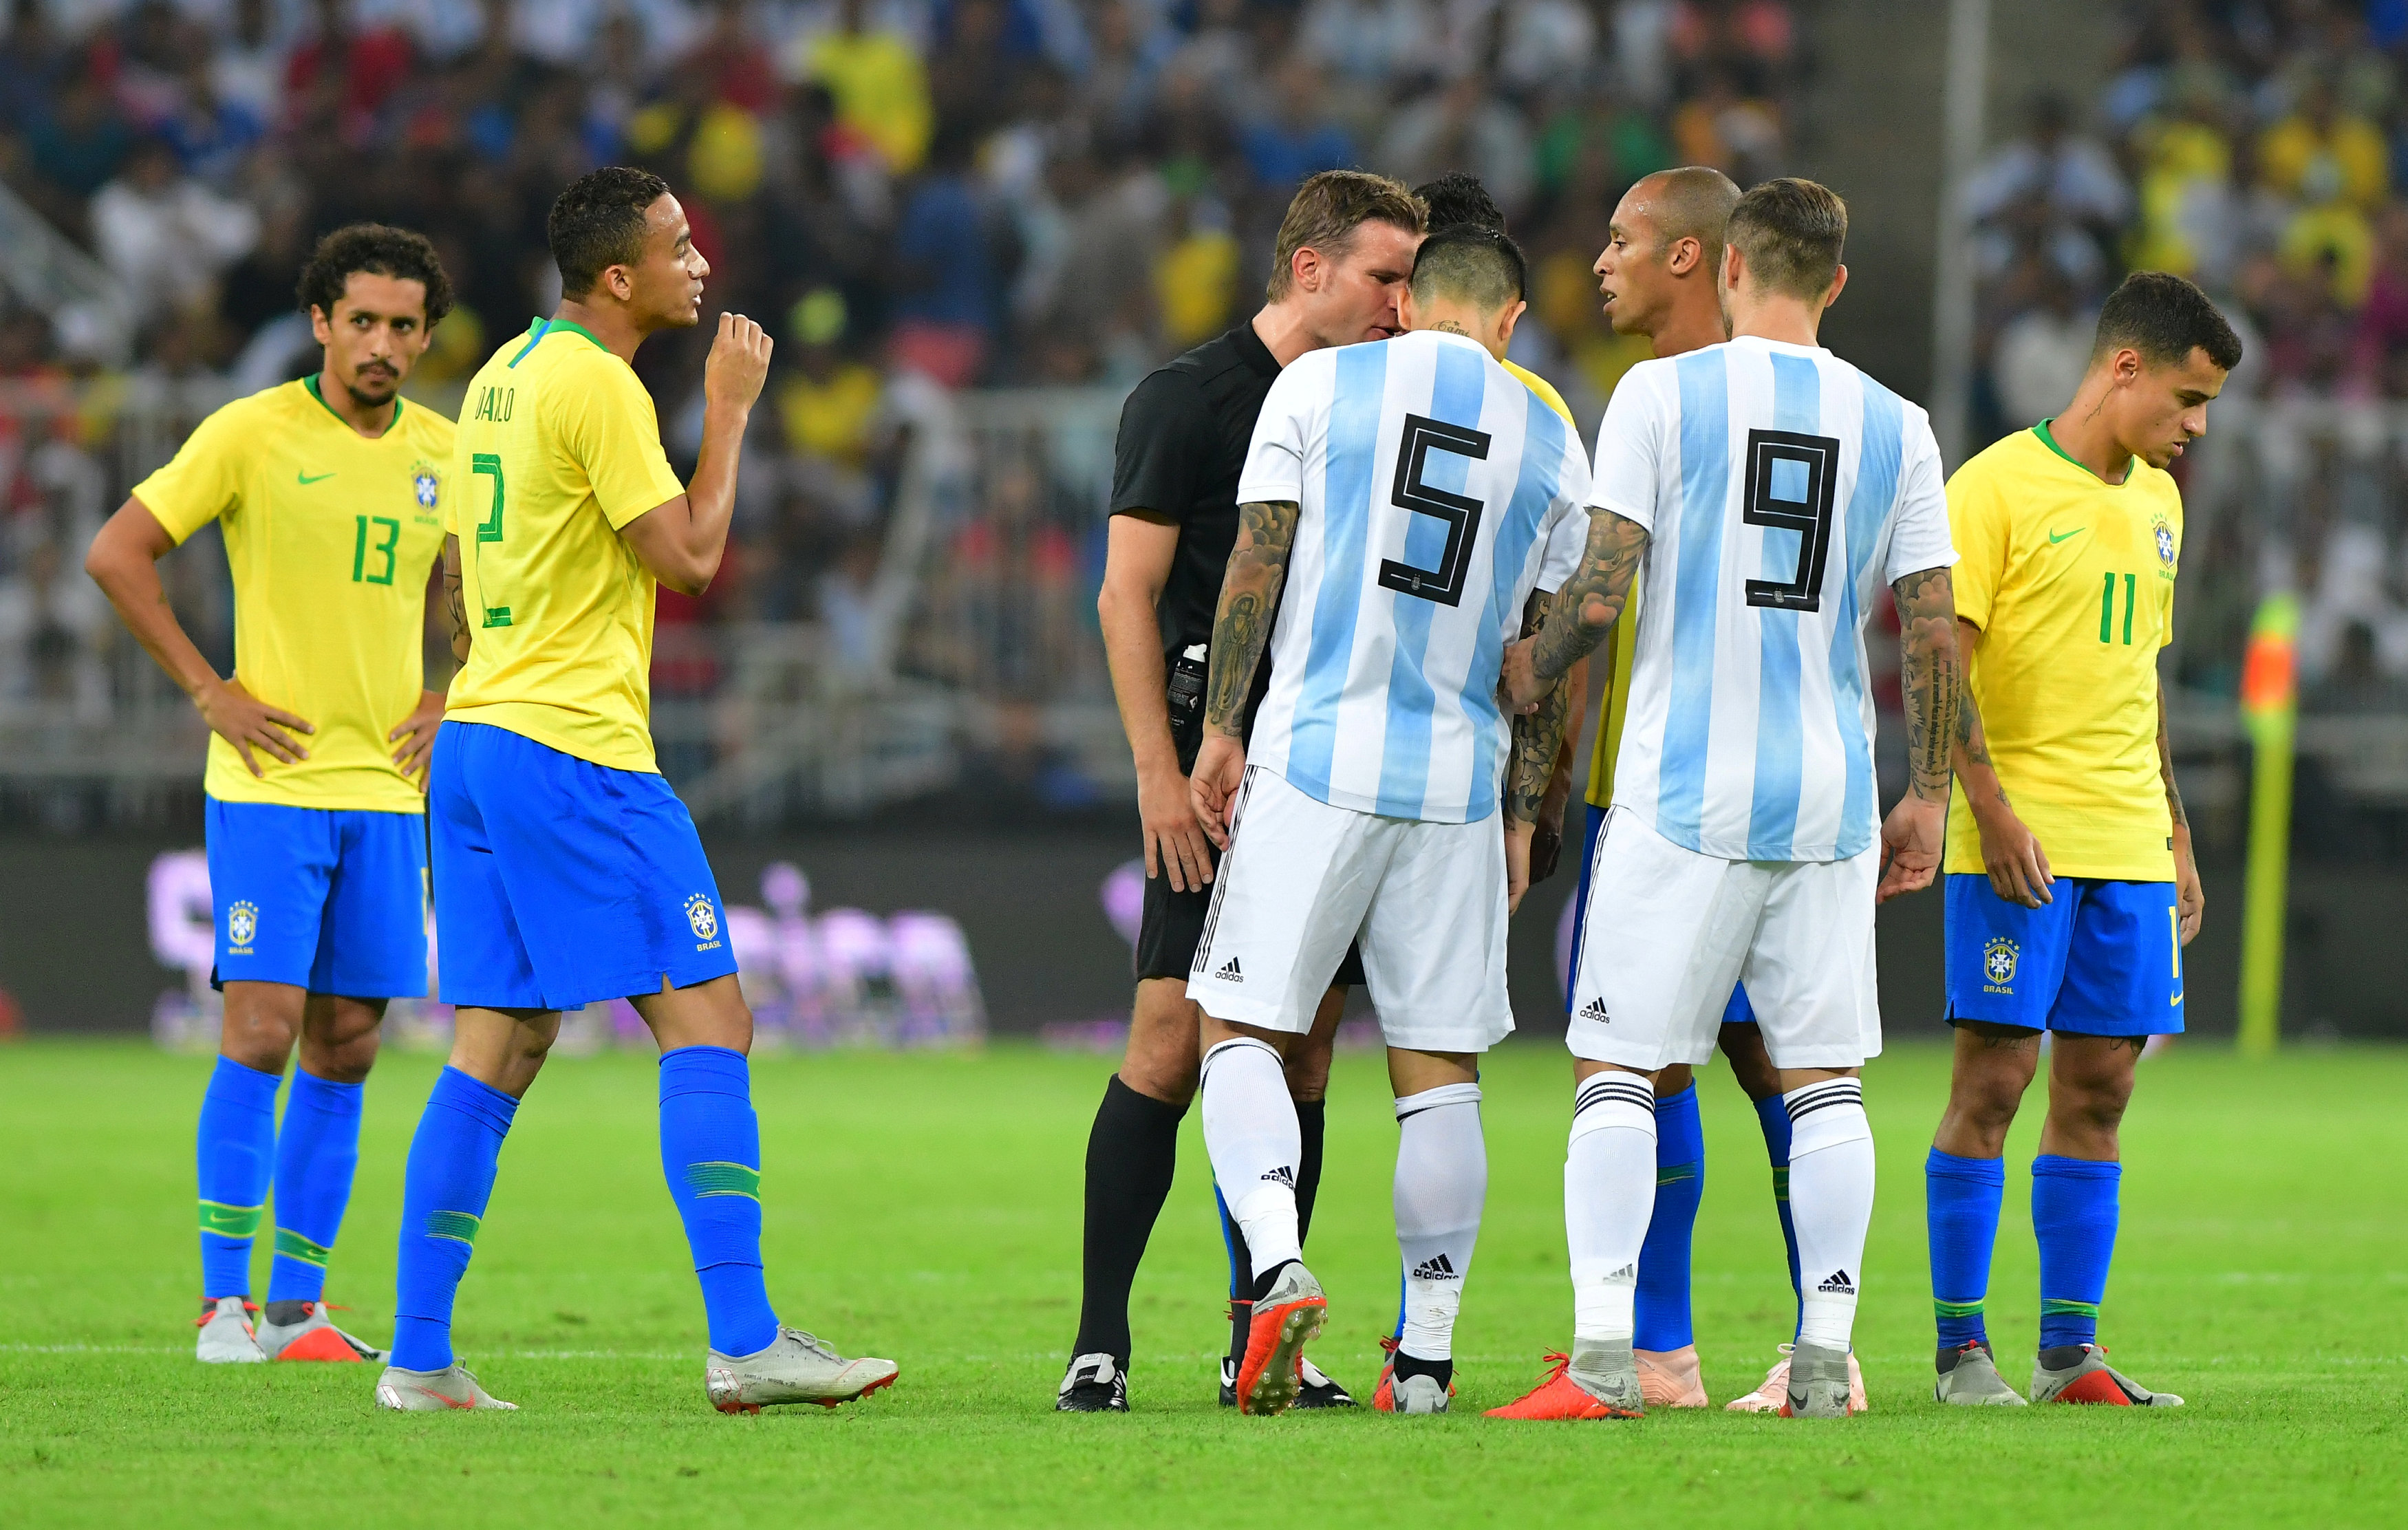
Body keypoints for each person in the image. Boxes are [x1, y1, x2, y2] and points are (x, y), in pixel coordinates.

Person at [372, 166, 897, 1414]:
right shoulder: (600, 384)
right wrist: (730, 411)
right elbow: (695, 559)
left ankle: (419, 1359)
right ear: (621, 277)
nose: (700, 261)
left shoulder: (504, 371)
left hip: (484, 741)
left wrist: (461, 679)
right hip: (575, 749)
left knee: (496, 1046)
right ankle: (750, 1340)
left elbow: (462, 558)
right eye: (677, 245)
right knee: (712, 1022)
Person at [1490, 177, 1963, 1421]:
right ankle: (1824, 1361)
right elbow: (1929, 634)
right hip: (1829, 793)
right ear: (1839, 284)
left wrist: (1529, 667)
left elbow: (1597, 595)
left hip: (1684, 787)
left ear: (1734, 269)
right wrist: (1931, 795)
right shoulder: (1899, 423)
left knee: (1616, 1065)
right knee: (1825, 1083)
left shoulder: (1659, 393)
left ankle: (1605, 1360)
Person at [1187, 224, 1593, 1416]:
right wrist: (1526, 812)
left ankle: (1275, 1262)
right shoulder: (1553, 434)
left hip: (1318, 755)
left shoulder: (1317, 383)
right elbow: (1550, 650)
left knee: (1241, 1027)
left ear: (1407, 301)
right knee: (1438, 1075)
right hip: (1460, 781)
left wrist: (1218, 731)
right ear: (1511, 319)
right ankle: (1423, 1358)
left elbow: (1254, 567)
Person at [1062, 169, 1426, 1414]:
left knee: (1307, 1053)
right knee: (1171, 1043)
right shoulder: (1190, 399)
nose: (1403, 303)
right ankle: (1099, 1342)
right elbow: (1124, 596)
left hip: (1326, 770)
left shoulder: (1382, 404)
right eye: (1386, 276)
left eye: (1414, 281)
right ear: (1310, 269)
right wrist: (1159, 777)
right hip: (1208, 777)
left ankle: (1259, 1341)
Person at [84, 224, 456, 1366]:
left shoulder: (443, 453)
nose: (382, 343)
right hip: (271, 785)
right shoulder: (251, 432)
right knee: (259, 1027)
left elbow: (485, 594)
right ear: (320, 324)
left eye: (403, 325)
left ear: (425, 335)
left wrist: (455, 693)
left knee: (348, 1045)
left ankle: (297, 1308)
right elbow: (117, 552)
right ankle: (222, 1307)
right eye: (364, 322)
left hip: (389, 793)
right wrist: (210, 690)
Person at [1924, 271, 2236, 1410]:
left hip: (2128, 842)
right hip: (2018, 838)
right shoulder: (1994, 486)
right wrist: (1990, 809)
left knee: (2100, 1090)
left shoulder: (2160, 501)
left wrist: (2177, 832)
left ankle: (2070, 1357)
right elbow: (1938, 661)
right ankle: (1963, 1355)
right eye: (2188, 400)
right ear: (2124, 370)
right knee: (1995, 1082)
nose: (2196, 427)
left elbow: (2140, 679)